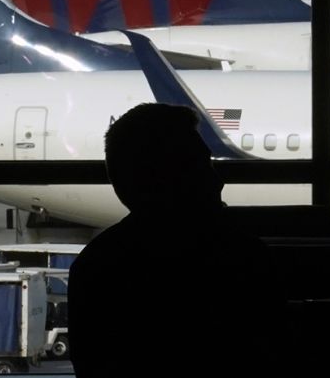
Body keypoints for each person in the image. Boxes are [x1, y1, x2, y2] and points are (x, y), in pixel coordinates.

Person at [69, 104, 283, 378]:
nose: (218, 182)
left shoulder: (96, 269)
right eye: (201, 167)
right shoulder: (244, 261)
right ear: (167, 179)